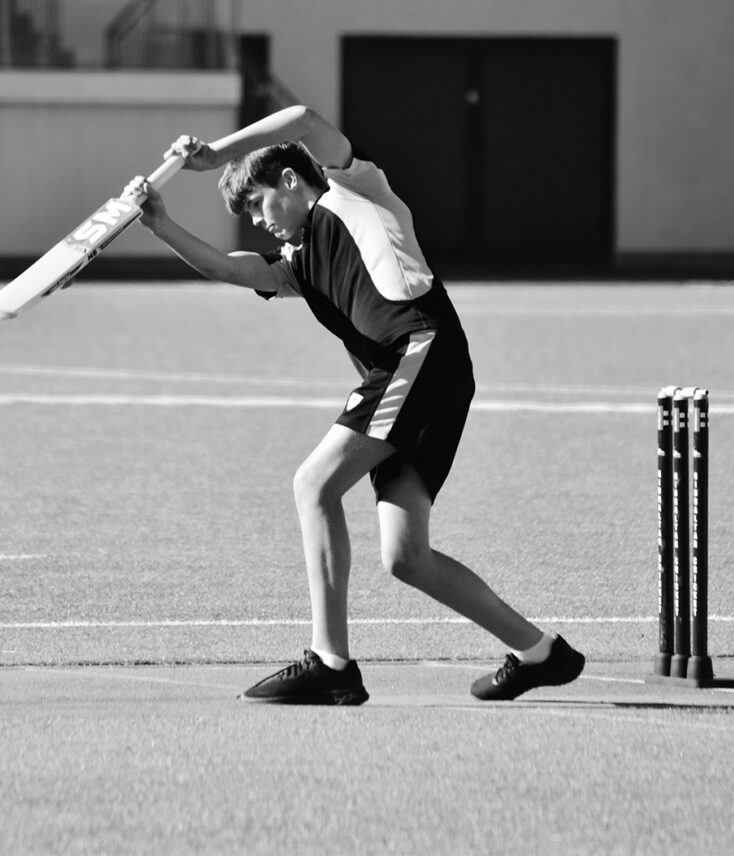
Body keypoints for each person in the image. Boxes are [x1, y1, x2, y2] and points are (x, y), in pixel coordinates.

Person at [124, 105, 585, 704]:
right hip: (426, 376)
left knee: (313, 484)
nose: (257, 222)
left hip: (416, 353)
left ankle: (330, 662)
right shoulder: (297, 265)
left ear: (290, 179)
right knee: (407, 557)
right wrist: (160, 225)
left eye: (258, 204)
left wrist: (215, 154)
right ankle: (541, 652)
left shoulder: (356, 190)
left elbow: (302, 118)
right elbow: (228, 269)